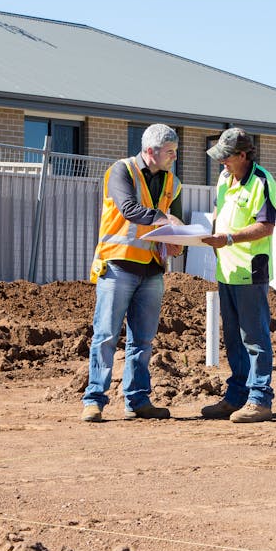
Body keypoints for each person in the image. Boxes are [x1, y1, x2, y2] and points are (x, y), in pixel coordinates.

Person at [81, 124, 183, 422]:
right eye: (169, 152)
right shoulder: (121, 171)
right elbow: (128, 209)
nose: (174, 158)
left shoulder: (172, 183)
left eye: (175, 152)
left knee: (143, 339)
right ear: (150, 151)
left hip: (152, 269)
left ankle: (137, 400)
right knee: (106, 335)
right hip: (119, 265)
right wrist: (166, 219)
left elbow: (174, 225)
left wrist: (177, 242)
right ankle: (94, 400)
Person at [199, 128, 276, 423]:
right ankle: (237, 396)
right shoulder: (223, 179)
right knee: (233, 337)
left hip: (250, 270)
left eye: (227, 158)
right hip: (227, 269)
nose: (222, 163)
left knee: (254, 337)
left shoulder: (261, 181)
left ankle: (260, 399)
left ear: (243, 155)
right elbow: (220, 212)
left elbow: (266, 226)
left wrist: (229, 239)